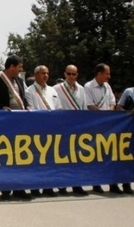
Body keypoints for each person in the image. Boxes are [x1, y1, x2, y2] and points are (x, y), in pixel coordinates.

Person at [0, 55, 31, 201]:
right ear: (11, 67)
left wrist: (27, 105)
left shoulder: (19, 81)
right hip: (2, 124)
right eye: (19, 67)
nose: (20, 70)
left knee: (20, 156)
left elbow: (22, 98)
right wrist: (0, 107)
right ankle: (5, 188)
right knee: (5, 156)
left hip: (20, 123)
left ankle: (19, 188)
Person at [25, 65, 62, 197]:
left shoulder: (52, 90)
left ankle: (48, 187)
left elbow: (58, 108)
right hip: (37, 129)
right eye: (42, 73)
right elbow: (31, 109)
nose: (45, 75)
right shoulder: (29, 91)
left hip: (52, 129)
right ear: (36, 75)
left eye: (47, 73)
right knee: (36, 159)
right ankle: (35, 187)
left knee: (50, 159)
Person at [53, 65, 88, 196]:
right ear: (65, 74)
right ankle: (62, 185)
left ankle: (77, 184)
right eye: (69, 74)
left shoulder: (82, 89)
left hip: (78, 127)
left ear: (77, 75)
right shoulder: (57, 89)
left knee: (78, 157)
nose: (71, 77)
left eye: (74, 74)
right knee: (63, 157)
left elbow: (84, 108)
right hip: (62, 127)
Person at [84, 63, 116, 194]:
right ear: (99, 74)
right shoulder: (88, 86)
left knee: (110, 155)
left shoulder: (107, 87)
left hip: (108, 126)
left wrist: (108, 114)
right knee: (96, 155)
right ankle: (96, 183)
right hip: (95, 126)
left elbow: (113, 102)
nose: (109, 76)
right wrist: (102, 116)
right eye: (107, 73)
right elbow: (89, 105)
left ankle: (112, 183)